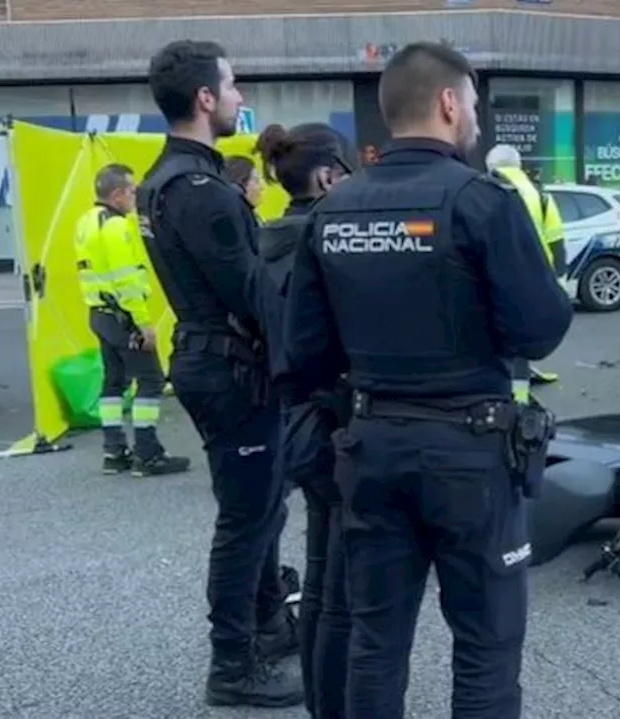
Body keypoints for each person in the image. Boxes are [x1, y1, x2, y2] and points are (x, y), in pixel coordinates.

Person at [280, 41, 573, 719]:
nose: (475, 116)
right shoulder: (481, 200)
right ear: (447, 102)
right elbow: (540, 329)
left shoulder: (333, 210)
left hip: (371, 448)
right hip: (470, 453)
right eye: (472, 102)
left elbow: (303, 356)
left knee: (375, 643)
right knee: (486, 648)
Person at [136, 40, 303, 708]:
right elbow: (252, 294)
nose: (239, 97)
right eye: (232, 86)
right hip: (231, 365)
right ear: (205, 99)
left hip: (213, 358)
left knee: (262, 505)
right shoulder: (201, 190)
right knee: (245, 517)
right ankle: (232, 664)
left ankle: (266, 623)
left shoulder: (164, 179)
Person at [253, 121, 356, 719]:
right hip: (330, 421)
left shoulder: (270, 240)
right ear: (325, 176)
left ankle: (324, 702)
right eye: (343, 173)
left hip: (293, 420)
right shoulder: (324, 242)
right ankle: (339, 705)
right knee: (342, 588)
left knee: (320, 579)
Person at [74, 164, 190, 477]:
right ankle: (148, 454)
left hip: (99, 313)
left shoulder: (86, 221)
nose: (135, 197)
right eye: (132, 191)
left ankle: (114, 452)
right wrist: (142, 321)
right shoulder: (116, 227)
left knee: (114, 382)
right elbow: (126, 279)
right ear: (118, 194)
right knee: (151, 380)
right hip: (124, 316)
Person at [485, 143, 567, 392]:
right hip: (534, 276)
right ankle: (521, 395)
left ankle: (498, 385)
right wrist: (558, 280)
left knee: (491, 332)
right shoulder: (540, 194)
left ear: (490, 167)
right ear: (518, 166)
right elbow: (556, 239)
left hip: (494, 274)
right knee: (521, 333)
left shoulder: (484, 190)